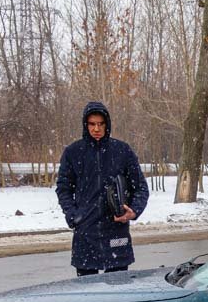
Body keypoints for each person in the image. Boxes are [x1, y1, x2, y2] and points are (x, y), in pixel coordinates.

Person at [55, 101, 149, 277]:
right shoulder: (73, 152)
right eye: (92, 124)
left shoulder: (122, 151)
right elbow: (63, 189)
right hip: (86, 233)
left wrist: (134, 211)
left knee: (118, 291)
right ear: (86, 124)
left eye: (100, 124)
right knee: (88, 297)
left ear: (107, 124)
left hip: (117, 231)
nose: (96, 129)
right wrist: (73, 215)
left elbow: (141, 188)